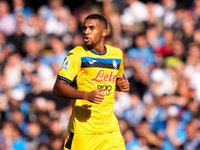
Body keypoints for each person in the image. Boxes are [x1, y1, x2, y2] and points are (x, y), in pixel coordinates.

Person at [53, 14, 130, 150]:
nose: (86, 31)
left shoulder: (117, 54)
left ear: (104, 32)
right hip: (83, 132)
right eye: (84, 28)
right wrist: (86, 95)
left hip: (110, 131)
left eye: (91, 28)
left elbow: (115, 81)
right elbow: (58, 88)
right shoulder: (77, 55)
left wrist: (120, 85)